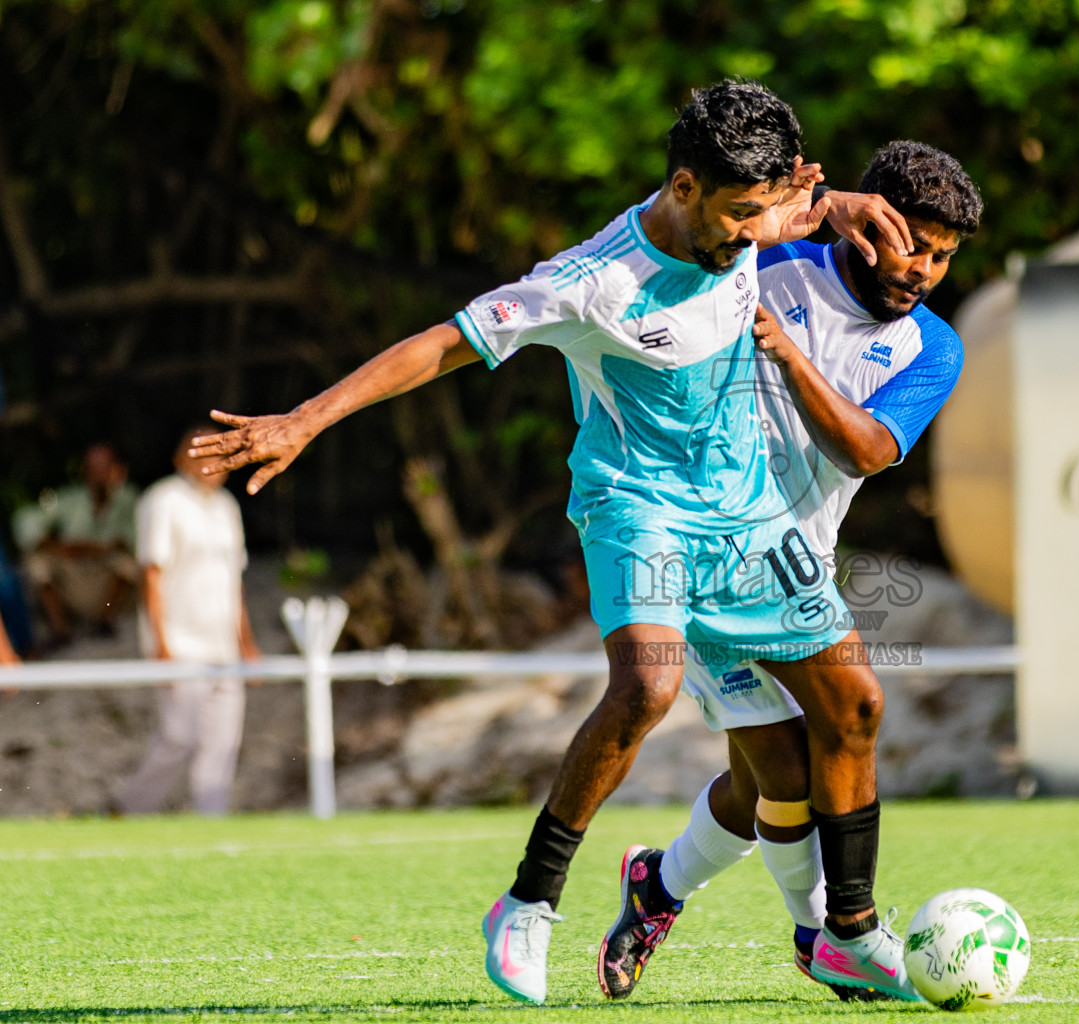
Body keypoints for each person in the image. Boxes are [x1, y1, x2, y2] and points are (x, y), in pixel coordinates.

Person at [186, 80, 924, 1005]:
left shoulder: (743, 216)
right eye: (737, 214)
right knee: (648, 687)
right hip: (640, 505)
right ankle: (530, 901)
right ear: (684, 187)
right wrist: (305, 420)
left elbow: (791, 213)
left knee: (855, 705)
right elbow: (439, 345)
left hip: (748, 514)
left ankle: (849, 933)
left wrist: (840, 204)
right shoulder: (591, 282)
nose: (751, 236)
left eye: (760, 212)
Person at [598, 141, 979, 1002]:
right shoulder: (767, 263)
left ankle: (656, 889)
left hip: (793, 567)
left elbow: (870, 449)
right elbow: (666, 230)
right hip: (691, 547)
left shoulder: (932, 347)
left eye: (943, 256)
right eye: (908, 242)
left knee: (765, 781)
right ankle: (837, 933)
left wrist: (787, 355)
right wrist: (812, 206)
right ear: (865, 219)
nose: (922, 270)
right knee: (809, 749)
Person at [115, 425, 261, 816]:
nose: (213, 464)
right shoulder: (163, 500)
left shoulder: (227, 508)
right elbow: (151, 575)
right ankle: (128, 812)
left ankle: (211, 822)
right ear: (182, 458)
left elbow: (234, 582)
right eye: (204, 454)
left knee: (223, 742)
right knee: (178, 737)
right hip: (180, 641)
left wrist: (246, 642)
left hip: (223, 645)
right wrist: (160, 644)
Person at [11, 442, 139, 643]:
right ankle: (60, 630)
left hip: (107, 579)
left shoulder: (129, 499)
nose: (99, 474)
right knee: (37, 563)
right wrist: (55, 545)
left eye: (104, 468)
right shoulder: (70, 499)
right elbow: (25, 522)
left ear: (117, 469)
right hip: (74, 578)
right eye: (93, 468)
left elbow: (136, 540)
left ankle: (104, 621)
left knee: (127, 563)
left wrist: (99, 549)